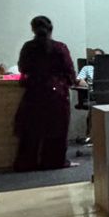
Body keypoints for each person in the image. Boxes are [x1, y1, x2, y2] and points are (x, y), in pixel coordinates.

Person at [14, 15, 78, 171]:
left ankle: (27, 163)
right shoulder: (60, 47)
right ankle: (53, 162)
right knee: (56, 130)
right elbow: (69, 71)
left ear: (33, 29)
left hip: (34, 91)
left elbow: (23, 68)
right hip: (56, 93)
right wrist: (67, 83)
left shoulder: (28, 47)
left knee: (31, 130)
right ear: (51, 29)